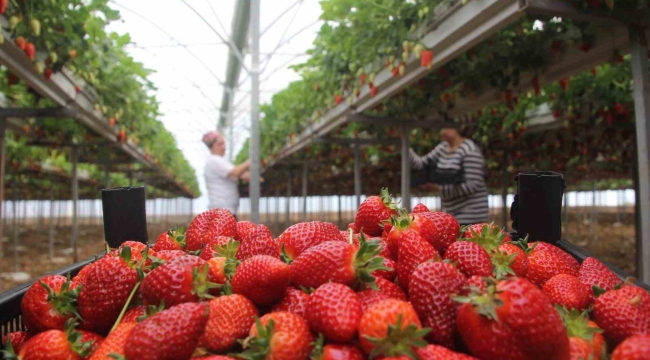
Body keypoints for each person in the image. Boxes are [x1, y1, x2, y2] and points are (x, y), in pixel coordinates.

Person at [409, 126, 489, 226]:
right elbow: (421, 164)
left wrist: (440, 189)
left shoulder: (469, 149)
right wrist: (406, 148)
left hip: (471, 214)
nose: (442, 129)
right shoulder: (442, 148)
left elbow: (472, 185)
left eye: (446, 126)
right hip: (453, 213)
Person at [203, 131, 250, 217]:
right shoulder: (214, 161)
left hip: (225, 212)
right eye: (220, 144)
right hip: (221, 213)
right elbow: (236, 172)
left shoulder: (221, 161)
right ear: (212, 146)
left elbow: (242, 175)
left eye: (224, 144)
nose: (224, 147)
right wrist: (250, 161)